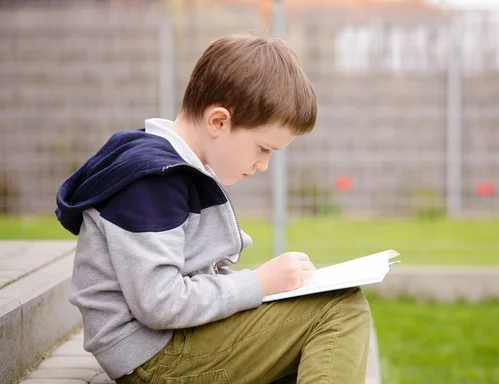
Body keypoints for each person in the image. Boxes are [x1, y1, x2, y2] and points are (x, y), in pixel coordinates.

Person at [55, 34, 372, 383]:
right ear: (218, 122)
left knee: (313, 328)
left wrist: (266, 287)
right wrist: (258, 283)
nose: (264, 164)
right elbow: (160, 302)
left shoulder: (173, 169)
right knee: (340, 309)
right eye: (263, 148)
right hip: (156, 357)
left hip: (167, 346)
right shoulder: (153, 181)